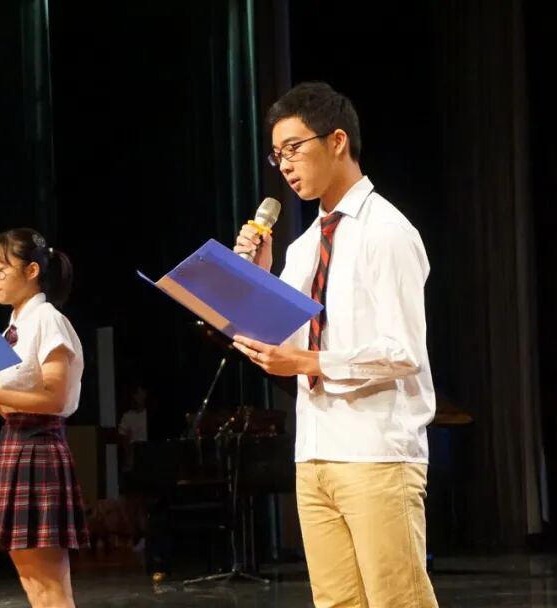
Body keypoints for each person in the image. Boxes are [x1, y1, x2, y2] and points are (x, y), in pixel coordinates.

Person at [232, 81, 438, 607]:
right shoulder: (304, 246)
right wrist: (258, 278)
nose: (284, 165)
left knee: (397, 601)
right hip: (315, 451)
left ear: (338, 140)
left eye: (293, 148)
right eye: (277, 155)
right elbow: (280, 341)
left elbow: (402, 352)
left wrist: (306, 360)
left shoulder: (386, 231)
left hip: (376, 452)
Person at [0, 228, 90, 608]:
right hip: (15, 443)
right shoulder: (12, 327)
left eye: (0, 269)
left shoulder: (47, 319)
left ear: (31, 270)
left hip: (40, 447)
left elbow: (54, 398)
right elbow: (8, 407)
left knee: (50, 585)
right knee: (31, 580)